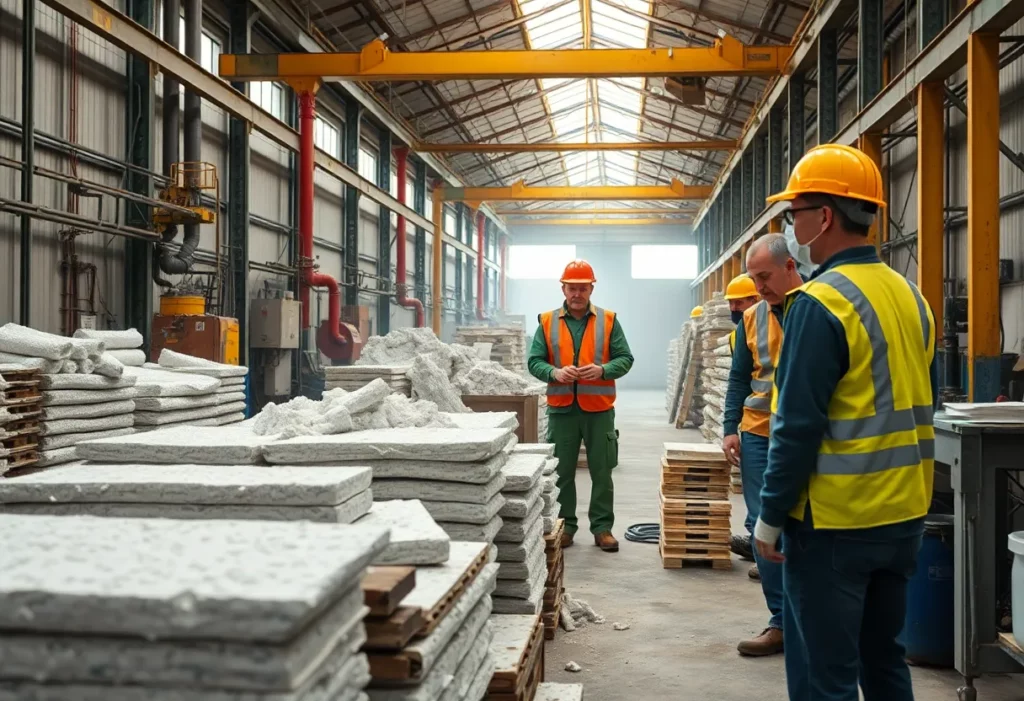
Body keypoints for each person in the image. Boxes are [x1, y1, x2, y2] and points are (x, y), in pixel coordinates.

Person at [752, 144, 937, 701]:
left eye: (794, 214)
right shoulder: (912, 296)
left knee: (822, 679)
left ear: (824, 217)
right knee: (885, 663)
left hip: (836, 523)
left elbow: (796, 427)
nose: (792, 225)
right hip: (904, 514)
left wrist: (769, 517)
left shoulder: (820, 302)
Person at [723, 234, 805, 657]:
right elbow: (739, 379)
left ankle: (808, 617)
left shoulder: (818, 309)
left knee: (804, 528)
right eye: (753, 279)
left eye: (765, 277)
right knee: (762, 530)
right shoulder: (753, 319)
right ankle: (780, 622)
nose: (759, 287)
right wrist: (729, 428)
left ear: (791, 266)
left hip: (807, 436)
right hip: (758, 434)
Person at [527, 260, 635, 552]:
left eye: (582, 288)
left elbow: (625, 358)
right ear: (563, 288)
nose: (577, 293)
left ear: (591, 289)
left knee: (602, 471)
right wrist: (555, 373)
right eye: (572, 288)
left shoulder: (608, 320)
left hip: (598, 409)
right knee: (561, 472)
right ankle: (566, 525)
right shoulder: (547, 321)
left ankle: (602, 529)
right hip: (562, 409)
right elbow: (534, 361)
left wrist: (603, 370)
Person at [723, 274, 760, 353]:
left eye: (738, 303)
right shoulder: (734, 337)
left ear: (753, 301)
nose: (733, 308)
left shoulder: (766, 328)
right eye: (730, 303)